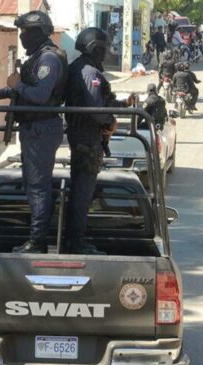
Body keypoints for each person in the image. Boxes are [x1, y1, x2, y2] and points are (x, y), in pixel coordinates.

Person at [0, 10, 68, 254]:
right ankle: (36, 239)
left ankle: (37, 242)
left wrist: (17, 85)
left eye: (25, 33)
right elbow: (24, 89)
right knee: (32, 185)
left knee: (38, 187)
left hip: (42, 128)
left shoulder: (49, 59)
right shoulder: (38, 57)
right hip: (35, 128)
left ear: (38, 33)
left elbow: (40, 96)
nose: (22, 38)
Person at [65, 27, 134, 255]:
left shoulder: (82, 68)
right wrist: (110, 121)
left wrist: (122, 105)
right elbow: (96, 111)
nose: (105, 55)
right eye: (103, 50)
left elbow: (99, 104)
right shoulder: (89, 73)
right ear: (96, 48)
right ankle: (76, 243)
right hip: (87, 137)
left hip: (84, 135)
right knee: (83, 192)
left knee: (82, 190)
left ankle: (75, 240)